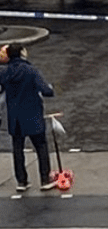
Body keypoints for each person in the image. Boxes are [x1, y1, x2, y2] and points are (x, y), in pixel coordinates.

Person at [0, 42, 56, 191]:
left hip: (14, 117)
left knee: (17, 149)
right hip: (32, 114)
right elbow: (46, 90)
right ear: (22, 53)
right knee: (41, 146)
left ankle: (22, 182)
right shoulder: (31, 71)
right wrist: (50, 88)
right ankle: (45, 179)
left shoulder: (4, 72)